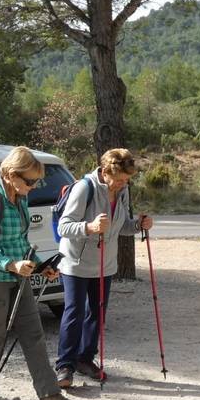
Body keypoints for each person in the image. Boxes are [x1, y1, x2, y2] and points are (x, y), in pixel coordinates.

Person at [0, 146, 81, 400]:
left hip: (18, 279)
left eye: (36, 182)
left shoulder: (19, 198)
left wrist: (41, 267)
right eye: (29, 181)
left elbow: (20, 242)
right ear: (10, 174)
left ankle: (49, 396)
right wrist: (11, 264)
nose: (33, 187)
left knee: (34, 334)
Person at [54, 148, 153, 387]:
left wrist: (140, 225)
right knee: (74, 313)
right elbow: (64, 228)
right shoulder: (84, 188)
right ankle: (64, 366)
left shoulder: (122, 191)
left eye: (126, 180)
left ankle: (85, 359)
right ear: (106, 172)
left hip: (105, 265)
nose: (123, 184)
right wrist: (89, 227)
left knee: (97, 314)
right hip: (76, 263)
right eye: (119, 180)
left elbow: (121, 227)